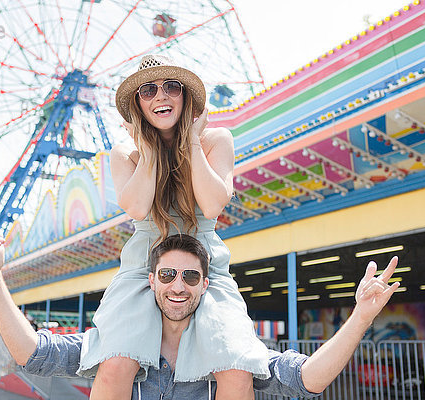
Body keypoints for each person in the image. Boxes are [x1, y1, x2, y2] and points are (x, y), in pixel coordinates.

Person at [0, 229, 400, 398]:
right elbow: (32, 353)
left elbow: (307, 379)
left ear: (205, 285)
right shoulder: (118, 348)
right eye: (168, 275)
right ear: (151, 280)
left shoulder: (228, 352)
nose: (178, 286)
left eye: (190, 278)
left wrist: (361, 315)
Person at [80, 54, 268, 400]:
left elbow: (212, 203)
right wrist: (149, 150)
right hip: (143, 266)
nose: (160, 96)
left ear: (186, 97)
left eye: (171, 87)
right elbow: (136, 207)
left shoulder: (216, 140)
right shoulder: (126, 154)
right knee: (116, 364)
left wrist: (193, 142)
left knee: (237, 366)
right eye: (148, 91)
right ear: (137, 105)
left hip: (203, 265)